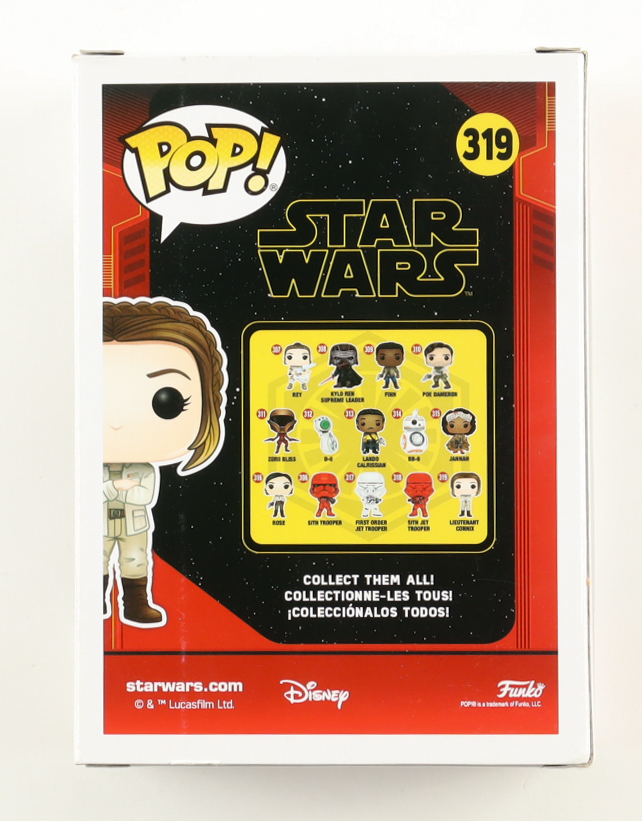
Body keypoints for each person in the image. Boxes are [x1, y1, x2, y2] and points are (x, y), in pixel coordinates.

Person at [103, 298, 226, 627]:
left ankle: (135, 604)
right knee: (94, 561)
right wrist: (117, 486)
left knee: (135, 562)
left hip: (134, 526)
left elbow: (143, 494)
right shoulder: (86, 467)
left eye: (166, 402)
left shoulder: (143, 468)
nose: (117, 422)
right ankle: (93, 602)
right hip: (96, 524)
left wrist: (109, 488)